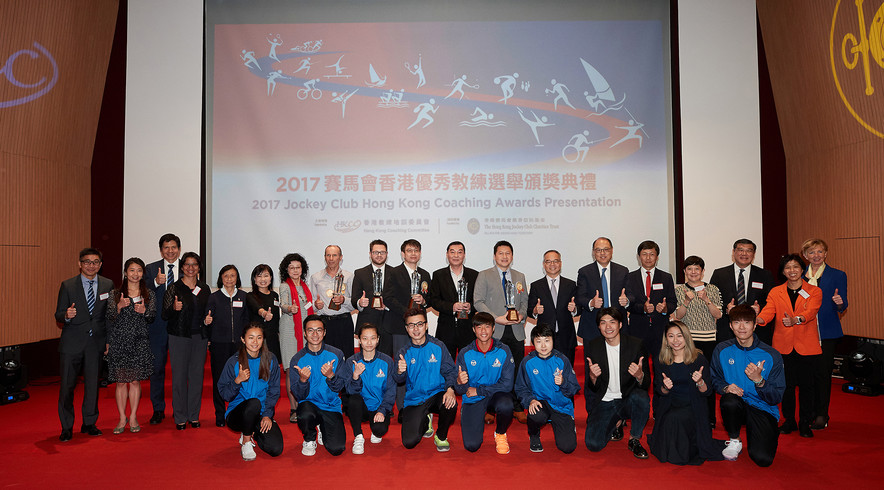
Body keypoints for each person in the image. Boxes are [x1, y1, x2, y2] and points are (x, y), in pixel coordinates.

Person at [756, 254, 822, 438]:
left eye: (795, 267)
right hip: (783, 347)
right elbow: (768, 312)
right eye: (787, 267)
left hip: (807, 346)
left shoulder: (814, 291)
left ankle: (805, 422)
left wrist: (796, 319)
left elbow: (811, 311)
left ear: (802, 269)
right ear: (783, 271)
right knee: (786, 386)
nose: (792, 271)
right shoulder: (776, 291)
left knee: (807, 386)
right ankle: (789, 420)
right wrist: (756, 318)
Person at [710, 304, 785, 466]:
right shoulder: (722, 350)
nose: (742, 327)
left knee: (762, 459)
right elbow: (714, 379)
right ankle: (735, 440)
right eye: (737, 322)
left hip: (763, 407)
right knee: (728, 400)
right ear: (730, 326)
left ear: (755, 325)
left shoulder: (772, 355)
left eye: (747, 322)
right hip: (737, 404)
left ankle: (761, 434)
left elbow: (776, 397)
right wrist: (725, 387)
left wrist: (760, 381)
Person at [54, 248, 114, 441]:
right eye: (87, 262)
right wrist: (66, 316)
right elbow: (58, 313)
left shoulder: (107, 284)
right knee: (67, 387)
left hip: (95, 343)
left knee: (92, 386)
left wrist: (108, 341)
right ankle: (66, 426)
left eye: (95, 262)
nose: (91, 265)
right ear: (80, 264)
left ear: (100, 264)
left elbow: (109, 317)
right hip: (72, 343)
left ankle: (89, 423)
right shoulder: (68, 285)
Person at [647, 321, 725, 465]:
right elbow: (660, 391)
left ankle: (680, 453)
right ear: (666, 339)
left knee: (674, 418)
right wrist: (665, 387)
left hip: (692, 406)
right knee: (670, 417)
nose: (675, 340)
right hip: (669, 404)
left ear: (686, 338)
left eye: (680, 336)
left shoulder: (698, 359)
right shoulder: (661, 360)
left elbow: (707, 392)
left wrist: (700, 382)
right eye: (671, 336)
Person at [583, 307, 651, 459]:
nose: (608, 327)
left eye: (612, 322)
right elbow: (592, 386)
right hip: (605, 400)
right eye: (603, 323)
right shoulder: (593, 346)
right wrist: (593, 377)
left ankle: (634, 439)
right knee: (593, 445)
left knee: (641, 398)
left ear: (620, 324)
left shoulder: (635, 345)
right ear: (599, 327)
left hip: (627, 398)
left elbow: (646, 383)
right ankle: (617, 422)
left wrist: (640, 376)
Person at [473, 240, 529, 423]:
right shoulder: (484, 275)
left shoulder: (519, 276)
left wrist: (521, 315)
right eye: (501, 253)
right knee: (493, 371)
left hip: (516, 331)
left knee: (517, 370)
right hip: (495, 330)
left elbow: (524, 302)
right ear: (494, 256)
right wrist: (496, 318)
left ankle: (517, 406)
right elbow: (478, 302)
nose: (504, 257)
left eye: (508, 253)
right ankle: (490, 408)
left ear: (512, 256)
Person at [393, 307, 458, 451]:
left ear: (426, 325)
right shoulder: (403, 352)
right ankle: (425, 419)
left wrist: (450, 389)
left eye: (420, 324)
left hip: (436, 395)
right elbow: (398, 380)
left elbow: (450, 371)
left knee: (451, 403)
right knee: (409, 443)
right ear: (406, 328)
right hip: (414, 400)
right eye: (411, 325)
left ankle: (441, 436)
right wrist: (399, 370)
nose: (416, 329)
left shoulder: (438, 346)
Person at [218, 323, 284, 461]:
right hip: (237, 414)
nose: (255, 342)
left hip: (261, 413)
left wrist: (267, 415)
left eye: (259, 338)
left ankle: (253, 430)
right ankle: (246, 441)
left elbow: (274, 390)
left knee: (275, 449)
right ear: (243, 339)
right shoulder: (233, 362)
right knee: (253, 403)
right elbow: (225, 394)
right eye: (251, 338)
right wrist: (237, 381)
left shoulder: (270, 359)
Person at [801, 238, 848, 430]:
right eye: (812, 252)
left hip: (826, 332)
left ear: (826, 254)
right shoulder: (798, 275)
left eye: (820, 252)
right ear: (805, 256)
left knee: (822, 374)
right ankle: (808, 412)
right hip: (804, 331)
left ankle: (821, 414)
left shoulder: (837, 274)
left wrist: (839, 302)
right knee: (807, 375)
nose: (816, 256)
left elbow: (843, 305)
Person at [106, 257, 156, 434]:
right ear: (126, 273)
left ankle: (133, 416)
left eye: (139, 270)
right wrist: (118, 307)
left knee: (135, 381)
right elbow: (109, 317)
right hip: (120, 341)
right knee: (120, 382)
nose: (136, 274)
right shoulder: (114, 294)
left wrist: (145, 311)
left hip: (139, 342)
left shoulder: (149, 293)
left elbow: (152, 318)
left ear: (143, 274)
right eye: (132, 270)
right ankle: (122, 418)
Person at [382, 239, 432, 415]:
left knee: (421, 365)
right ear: (403, 254)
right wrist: (408, 314)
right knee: (402, 366)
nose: (413, 254)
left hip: (420, 329)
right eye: (409, 250)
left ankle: (421, 403)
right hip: (399, 327)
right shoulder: (394, 273)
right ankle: (402, 407)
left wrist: (424, 301)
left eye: (416, 250)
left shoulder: (425, 274)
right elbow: (387, 297)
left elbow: (430, 298)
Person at [162, 251, 210, 431]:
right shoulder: (174, 288)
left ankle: (194, 415)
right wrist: (174, 308)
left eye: (194, 265)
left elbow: (207, 312)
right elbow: (164, 314)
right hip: (178, 337)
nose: (191, 268)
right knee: (179, 378)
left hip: (199, 337)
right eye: (187, 265)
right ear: (182, 267)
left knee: (197, 378)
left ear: (199, 268)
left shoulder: (204, 288)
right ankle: (180, 416)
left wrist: (208, 322)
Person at [672, 255, 723, 426]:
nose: (693, 272)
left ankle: (709, 418)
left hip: (709, 339)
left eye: (697, 269)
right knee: (687, 376)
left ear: (702, 271)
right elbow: (677, 317)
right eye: (689, 269)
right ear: (684, 271)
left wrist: (706, 299)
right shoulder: (679, 290)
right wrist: (686, 301)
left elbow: (719, 314)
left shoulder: (713, 289)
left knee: (706, 377)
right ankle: (690, 413)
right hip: (688, 340)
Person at [455, 312, 515, 454]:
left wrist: (480, 390)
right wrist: (459, 382)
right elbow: (459, 388)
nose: (483, 331)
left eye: (487, 327)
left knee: (507, 404)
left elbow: (507, 384)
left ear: (493, 328)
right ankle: (468, 413)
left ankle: (500, 434)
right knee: (471, 446)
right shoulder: (465, 353)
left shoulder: (504, 350)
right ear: (473, 329)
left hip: (495, 395)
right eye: (479, 327)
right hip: (473, 398)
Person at [514, 323, 579, 453]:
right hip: (540, 403)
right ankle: (534, 435)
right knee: (536, 414)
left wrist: (563, 382)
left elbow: (574, 388)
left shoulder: (562, 360)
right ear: (533, 343)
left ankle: (566, 424)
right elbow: (520, 388)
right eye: (539, 341)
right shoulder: (527, 362)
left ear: (553, 341)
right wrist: (530, 400)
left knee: (568, 447)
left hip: (560, 406)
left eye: (547, 341)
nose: (543, 346)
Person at [290, 315, 347, 456]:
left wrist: (330, 376)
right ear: (304, 333)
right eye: (310, 330)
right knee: (304, 413)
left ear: (325, 332)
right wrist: (303, 380)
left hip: (330, 406)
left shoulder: (336, 354)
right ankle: (309, 438)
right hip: (309, 405)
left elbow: (340, 387)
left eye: (319, 330)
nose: (315, 334)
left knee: (337, 449)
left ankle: (322, 427)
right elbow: (298, 395)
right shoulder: (297, 359)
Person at [339, 323, 395, 454]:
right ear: (359, 340)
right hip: (360, 407)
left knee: (379, 430)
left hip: (378, 408)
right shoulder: (351, 361)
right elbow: (350, 392)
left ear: (378, 339)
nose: (369, 342)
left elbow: (391, 390)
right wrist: (355, 376)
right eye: (365, 338)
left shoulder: (386, 361)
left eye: (373, 338)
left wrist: (382, 410)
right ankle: (358, 436)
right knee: (353, 400)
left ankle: (375, 428)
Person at [206, 264, 251, 427]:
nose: (229, 279)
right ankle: (219, 414)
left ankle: (238, 411)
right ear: (221, 278)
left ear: (237, 278)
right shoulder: (214, 297)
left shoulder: (244, 296)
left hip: (239, 345)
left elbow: (247, 320)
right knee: (219, 378)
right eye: (226, 276)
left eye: (232, 276)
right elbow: (207, 319)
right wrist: (207, 323)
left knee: (240, 377)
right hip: (219, 344)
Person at [709, 239, 774, 344]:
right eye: (740, 250)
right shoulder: (719, 274)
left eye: (749, 250)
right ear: (734, 252)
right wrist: (726, 308)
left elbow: (772, 302)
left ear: (754, 254)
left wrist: (760, 308)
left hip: (757, 331)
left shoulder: (765, 275)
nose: (744, 254)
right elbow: (712, 301)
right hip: (727, 331)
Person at [145, 233, 180, 425]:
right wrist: (156, 283)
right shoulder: (151, 269)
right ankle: (158, 409)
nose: (170, 251)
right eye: (166, 247)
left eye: (173, 247)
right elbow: (142, 291)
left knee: (178, 370)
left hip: (179, 327)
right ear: (161, 250)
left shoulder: (187, 268)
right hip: (157, 327)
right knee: (157, 369)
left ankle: (178, 408)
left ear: (179, 249)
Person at [625, 240, 676, 366]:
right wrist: (643, 308)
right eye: (644, 254)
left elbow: (672, 302)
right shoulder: (630, 277)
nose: (648, 258)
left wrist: (665, 309)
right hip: (637, 331)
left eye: (652, 254)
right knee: (639, 367)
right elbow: (628, 304)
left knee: (661, 367)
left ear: (657, 257)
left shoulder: (666, 277)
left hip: (660, 330)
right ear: (639, 257)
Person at [428, 240, 479, 360]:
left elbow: (480, 300)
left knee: (468, 364)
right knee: (445, 365)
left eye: (459, 252)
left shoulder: (474, 275)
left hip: (468, 330)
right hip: (446, 329)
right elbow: (433, 300)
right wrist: (452, 307)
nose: (456, 255)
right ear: (447, 254)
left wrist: (471, 306)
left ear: (464, 255)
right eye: (452, 252)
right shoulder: (438, 275)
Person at [528, 250, 580, 365]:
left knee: (566, 372)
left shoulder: (571, 284)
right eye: (548, 261)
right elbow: (529, 310)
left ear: (560, 263)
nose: (552, 264)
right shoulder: (536, 286)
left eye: (555, 261)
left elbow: (579, 308)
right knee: (546, 372)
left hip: (566, 337)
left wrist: (575, 309)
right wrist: (535, 311)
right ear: (544, 264)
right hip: (544, 339)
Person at [576, 237, 632, 343]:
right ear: (593, 252)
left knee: (618, 359)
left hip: (617, 324)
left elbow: (631, 295)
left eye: (606, 249)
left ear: (612, 250)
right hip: (592, 325)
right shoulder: (584, 272)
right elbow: (580, 297)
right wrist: (591, 303)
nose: (602, 253)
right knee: (592, 359)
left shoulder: (623, 271)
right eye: (598, 250)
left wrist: (627, 300)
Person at [279, 253, 314, 423]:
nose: (295, 270)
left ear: (303, 269)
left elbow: (308, 307)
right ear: (286, 269)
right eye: (291, 267)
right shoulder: (285, 286)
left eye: (298, 267)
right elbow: (283, 304)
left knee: (306, 367)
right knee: (291, 369)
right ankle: (294, 408)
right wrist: (288, 308)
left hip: (307, 331)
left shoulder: (305, 287)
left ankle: (306, 404)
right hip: (289, 330)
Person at [309, 245, 355, 358]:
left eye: (334, 255)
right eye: (328, 255)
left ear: (340, 257)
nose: (331, 258)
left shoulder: (349, 276)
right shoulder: (316, 277)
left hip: (344, 321)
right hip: (325, 322)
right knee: (326, 357)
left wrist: (344, 300)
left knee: (347, 356)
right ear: (324, 257)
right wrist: (315, 305)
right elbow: (310, 303)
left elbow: (355, 303)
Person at [350, 240, 393, 353]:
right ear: (370, 254)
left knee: (387, 360)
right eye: (376, 252)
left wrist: (387, 306)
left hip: (389, 324)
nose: (379, 255)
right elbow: (354, 298)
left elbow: (397, 299)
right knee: (365, 360)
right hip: (367, 324)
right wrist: (360, 302)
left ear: (387, 254)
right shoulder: (360, 273)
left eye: (382, 252)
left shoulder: (395, 272)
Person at [246, 264, 281, 372]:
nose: (263, 279)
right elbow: (257, 308)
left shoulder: (275, 295)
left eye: (266, 275)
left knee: (273, 370)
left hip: (273, 339)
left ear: (271, 278)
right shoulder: (250, 296)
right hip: (258, 340)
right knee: (258, 371)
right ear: (254, 279)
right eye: (259, 276)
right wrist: (264, 314)